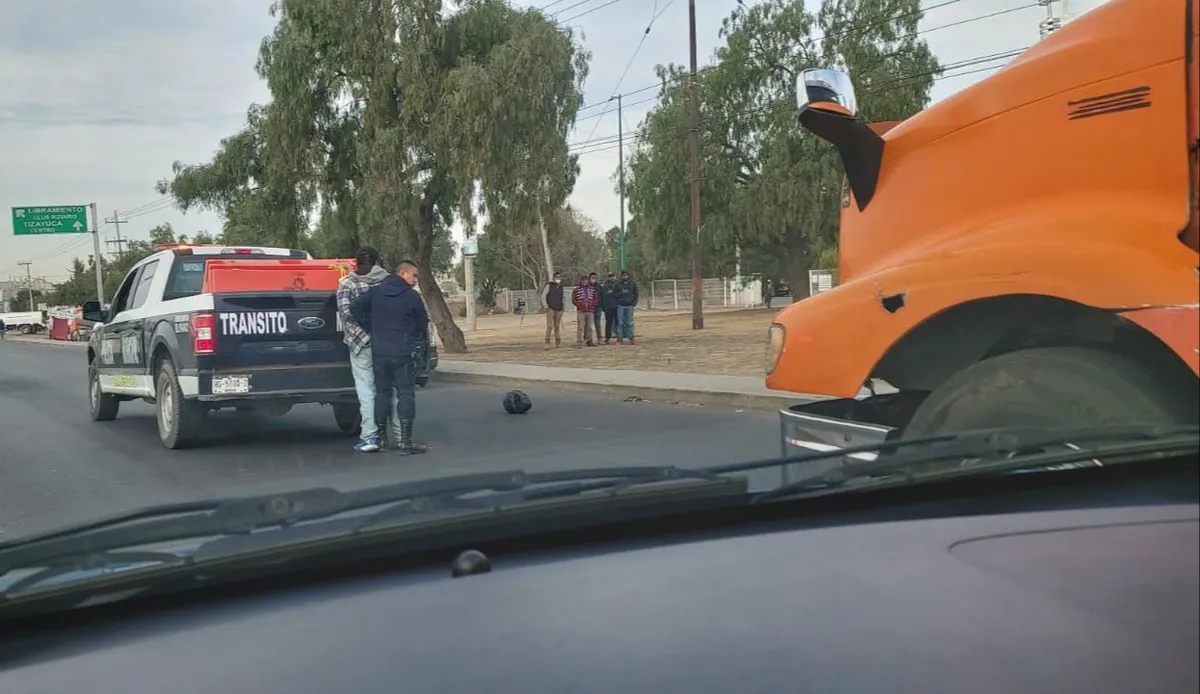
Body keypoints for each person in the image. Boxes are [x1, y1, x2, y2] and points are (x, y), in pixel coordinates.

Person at [351, 260, 429, 455]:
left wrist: (371, 327)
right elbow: (422, 322)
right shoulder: (411, 296)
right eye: (414, 275)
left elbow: (355, 307)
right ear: (403, 274)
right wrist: (413, 338)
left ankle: (383, 439)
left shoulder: (375, 292)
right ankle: (405, 441)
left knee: (382, 394)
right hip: (402, 352)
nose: (415, 280)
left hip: (379, 351)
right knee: (405, 394)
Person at [336, 247, 390, 452]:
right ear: (376, 261)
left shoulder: (347, 283)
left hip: (360, 343)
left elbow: (346, 314)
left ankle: (370, 436)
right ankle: (395, 433)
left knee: (366, 390)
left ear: (356, 263)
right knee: (387, 388)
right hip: (385, 341)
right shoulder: (387, 280)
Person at [571, 274, 598, 347]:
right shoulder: (576, 290)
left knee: (589, 327)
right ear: (580, 281)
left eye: (586, 280)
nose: (584, 282)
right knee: (580, 327)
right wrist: (579, 305)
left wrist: (593, 305)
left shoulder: (592, 289)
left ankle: (589, 341)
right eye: (583, 280)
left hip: (590, 310)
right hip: (581, 311)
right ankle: (579, 342)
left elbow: (595, 298)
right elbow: (573, 300)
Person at [540, 271, 565, 349]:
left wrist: (563, 307)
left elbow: (562, 297)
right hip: (550, 308)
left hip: (559, 309)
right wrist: (545, 306)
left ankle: (558, 342)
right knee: (550, 326)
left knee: (557, 326)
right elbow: (543, 296)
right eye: (556, 277)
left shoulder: (561, 287)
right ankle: (547, 342)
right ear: (553, 278)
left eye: (559, 277)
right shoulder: (549, 285)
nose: (558, 279)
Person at [614, 269, 639, 345]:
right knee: (620, 323)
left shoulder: (632, 284)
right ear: (621, 276)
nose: (625, 276)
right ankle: (619, 338)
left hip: (629, 306)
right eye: (623, 275)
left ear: (628, 276)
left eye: (626, 275)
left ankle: (631, 338)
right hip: (620, 306)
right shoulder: (617, 285)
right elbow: (614, 295)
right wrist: (621, 293)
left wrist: (633, 303)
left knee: (629, 322)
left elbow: (636, 294)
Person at [599, 272, 619, 344]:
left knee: (618, 323)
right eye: (611, 277)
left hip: (617, 307)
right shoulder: (604, 287)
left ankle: (619, 337)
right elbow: (601, 298)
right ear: (608, 278)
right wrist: (603, 307)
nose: (612, 278)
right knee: (609, 323)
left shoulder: (618, 285)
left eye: (614, 276)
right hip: (608, 307)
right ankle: (607, 338)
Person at [588, 272, 602, 339]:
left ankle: (599, 338)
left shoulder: (599, 286)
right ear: (589, 278)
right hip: (589, 309)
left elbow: (602, 297)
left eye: (595, 278)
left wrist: (600, 305)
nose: (593, 279)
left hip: (598, 308)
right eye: (592, 277)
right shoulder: (586, 286)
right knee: (589, 325)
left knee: (598, 324)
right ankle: (589, 340)